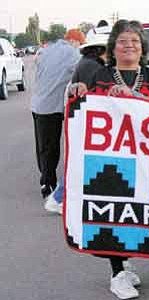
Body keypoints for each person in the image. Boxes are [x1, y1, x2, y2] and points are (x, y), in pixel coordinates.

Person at [80, 19, 149, 299]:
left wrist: (133, 98)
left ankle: (126, 263)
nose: (129, 46)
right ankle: (117, 272)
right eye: (122, 41)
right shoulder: (100, 75)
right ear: (113, 48)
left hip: (147, 158)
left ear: (142, 48)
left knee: (141, 211)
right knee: (113, 211)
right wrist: (77, 93)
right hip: (111, 160)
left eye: (134, 42)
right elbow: (87, 112)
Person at [44, 34, 109, 214]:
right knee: (84, 160)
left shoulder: (87, 63)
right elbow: (93, 94)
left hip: (83, 116)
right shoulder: (92, 66)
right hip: (87, 117)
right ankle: (59, 198)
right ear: (100, 50)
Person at [31, 29, 85, 200]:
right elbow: (80, 73)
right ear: (74, 40)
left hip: (37, 104)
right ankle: (48, 184)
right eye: (80, 43)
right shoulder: (74, 54)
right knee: (52, 147)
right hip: (53, 106)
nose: (80, 46)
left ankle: (45, 178)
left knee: (42, 146)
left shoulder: (45, 50)